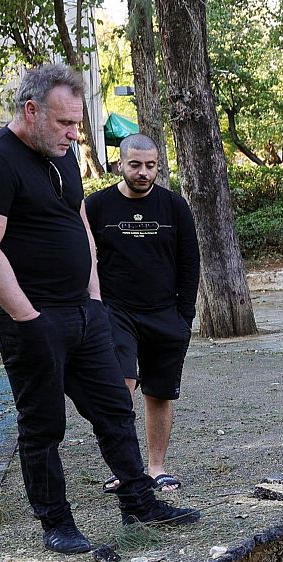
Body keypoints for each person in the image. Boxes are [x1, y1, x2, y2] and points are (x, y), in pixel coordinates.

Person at [0, 64, 199, 554]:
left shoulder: (62, 155)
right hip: (28, 316)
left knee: (113, 407)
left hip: (84, 310)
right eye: (66, 123)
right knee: (44, 421)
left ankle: (140, 501)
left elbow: (79, 223)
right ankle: (57, 525)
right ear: (31, 111)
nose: (75, 133)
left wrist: (93, 296)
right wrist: (28, 319)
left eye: (77, 123)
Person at [86, 132, 200, 494]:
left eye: (151, 166)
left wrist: (184, 317)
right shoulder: (97, 206)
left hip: (166, 313)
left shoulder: (174, 206)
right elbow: (84, 259)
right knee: (121, 391)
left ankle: (155, 468)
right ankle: (127, 469)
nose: (143, 172)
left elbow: (190, 263)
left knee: (160, 393)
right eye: (135, 165)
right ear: (119, 164)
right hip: (115, 312)